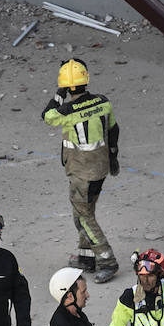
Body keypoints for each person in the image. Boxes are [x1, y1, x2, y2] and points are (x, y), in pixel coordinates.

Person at [41, 58, 121, 283]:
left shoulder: (65, 112)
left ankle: (107, 261)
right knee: (85, 212)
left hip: (80, 173)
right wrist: (113, 157)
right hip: (101, 168)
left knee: (84, 217)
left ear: (66, 85)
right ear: (86, 80)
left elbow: (46, 115)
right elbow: (114, 131)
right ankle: (86, 258)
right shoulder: (103, 103)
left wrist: (59, 94)